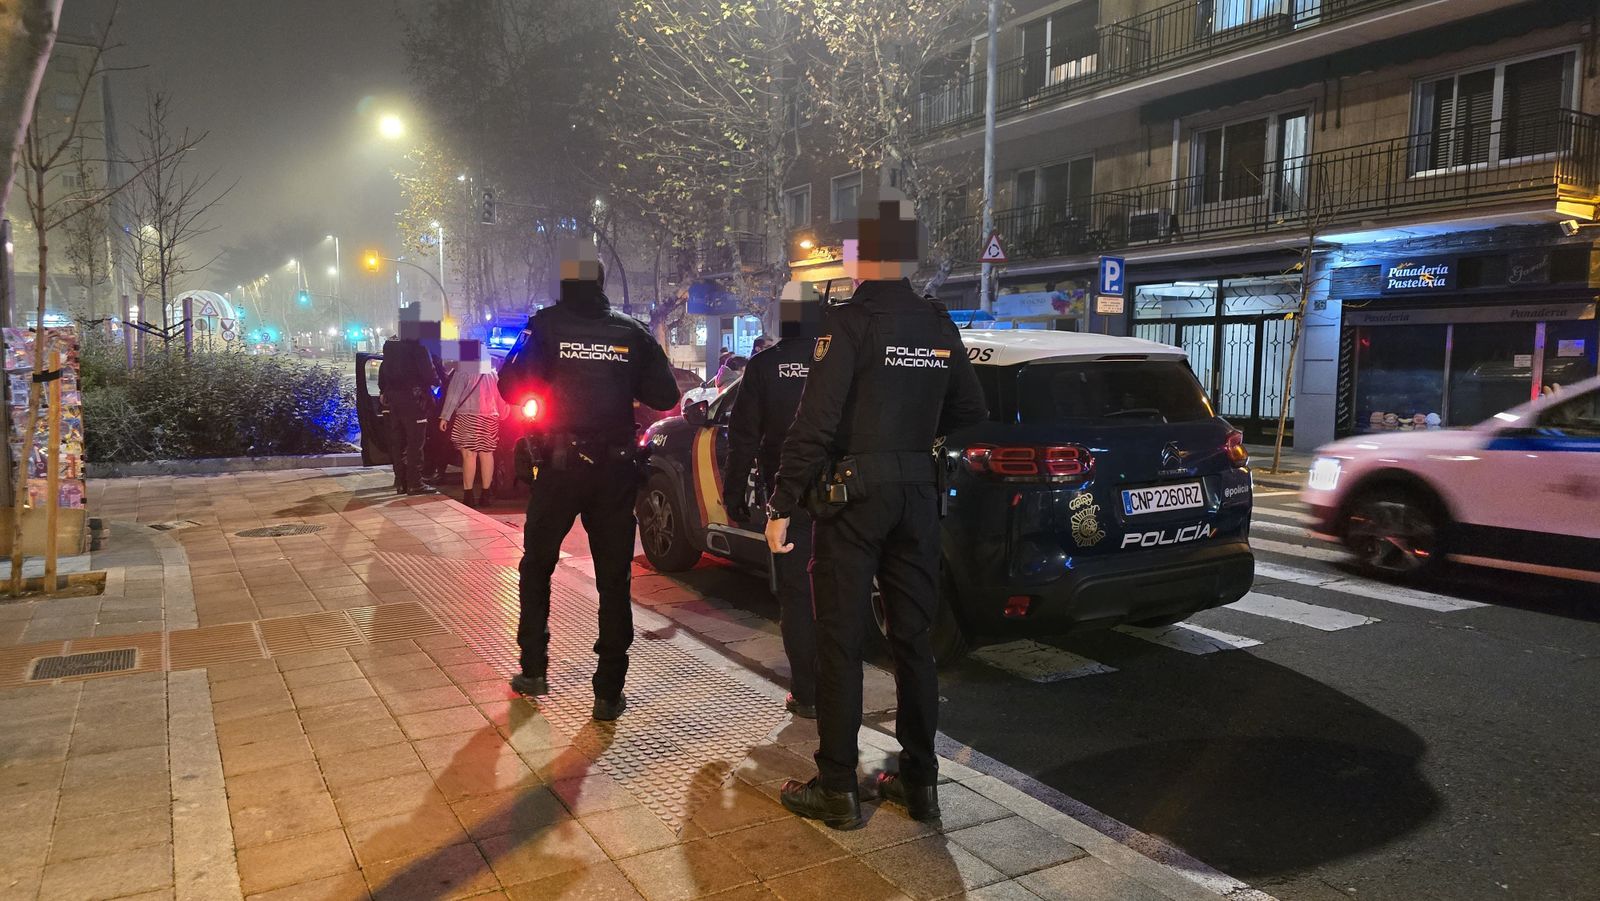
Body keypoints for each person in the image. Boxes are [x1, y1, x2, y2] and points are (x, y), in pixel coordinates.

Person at [765, 186, 987, 830]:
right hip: (917, 498)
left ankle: (838, 787)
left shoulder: (850, 323)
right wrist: (914, 446)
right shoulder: (938, 324)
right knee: (913, 641)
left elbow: (814, 422)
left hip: (853, 500)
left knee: (839, 640)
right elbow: (971, 411)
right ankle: (919, 782)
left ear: (865, 255)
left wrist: (782, 502)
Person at [498, 238, 681, 721]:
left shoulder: (544, 326)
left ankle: (533, 668)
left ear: (563, 281)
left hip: (558, 468)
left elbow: (510, 386)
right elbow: (665, 395)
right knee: (614, 580)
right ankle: (608, 693)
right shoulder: (632, 332)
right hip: (615, 472)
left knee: (537, 564)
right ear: (601, 282)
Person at [721, 282, 823, 720]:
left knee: (797, 595)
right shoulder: (839, 359)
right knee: (840, 592)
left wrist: (734, 494)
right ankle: (839, 689)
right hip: (841, 494)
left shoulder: (764, 366)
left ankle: (807, 693)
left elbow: (743, 436)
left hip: (787, 497)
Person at [439, 343, 510, 507]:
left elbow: (453, 395)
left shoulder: (463, 371)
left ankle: (469, 495)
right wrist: (503, 413)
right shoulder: (493, 374)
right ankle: (486, 494)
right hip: (490, 417)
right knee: (487, 454)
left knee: (469, 455)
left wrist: (445, 417)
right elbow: (501, 398)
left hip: (467, 417)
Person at [378, 330, 440, 495]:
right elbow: (429, 372)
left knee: (398, 441)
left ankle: (400, 481)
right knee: (415, 442)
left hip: (394, 400)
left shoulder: (390, 345)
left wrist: (386, 391)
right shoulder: (419, 344)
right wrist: (438, 381)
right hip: (414, 399)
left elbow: (384, 371)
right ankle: (415, 482)